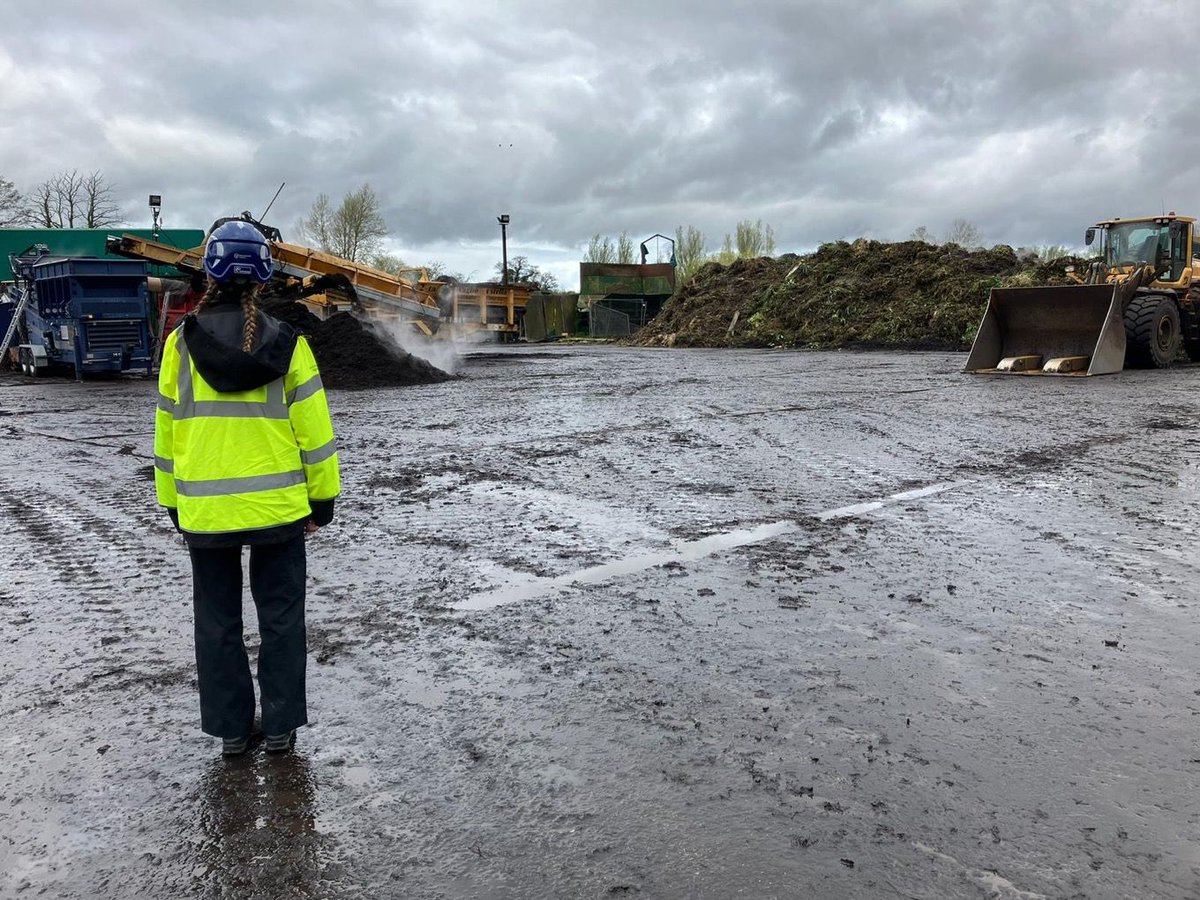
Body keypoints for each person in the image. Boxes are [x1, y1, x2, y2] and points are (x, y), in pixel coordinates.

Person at [154, 219, 340, 757]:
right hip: (279, 509)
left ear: (209, 273)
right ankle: (280, 727)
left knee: (216, 622)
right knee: (281, 619)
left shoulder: (178, 345)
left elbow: (167, 431)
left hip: (205, 512)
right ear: (263, 278)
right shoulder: (291, 345)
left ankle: (232, 733)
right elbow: (316, 436)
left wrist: (172, 500)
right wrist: (322, 501)